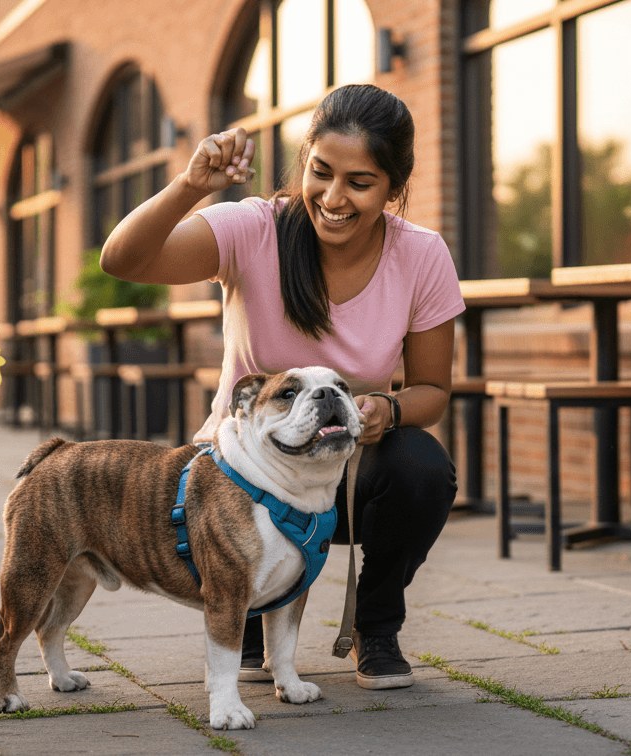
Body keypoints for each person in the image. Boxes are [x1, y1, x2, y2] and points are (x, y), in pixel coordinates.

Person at [100, 83, 465, 690]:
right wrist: (191, 185)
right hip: (236, 482)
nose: (333, 198)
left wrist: (388, 410)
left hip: (340, 478)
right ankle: (240, 604)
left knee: (423, 468)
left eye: (360, 182)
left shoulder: (421, 256)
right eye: (321, 173)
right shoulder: (253, 229)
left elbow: (433, 388)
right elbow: (124, 261)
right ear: (304, 162)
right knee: (237, 534)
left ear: (393, 188)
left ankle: (375, 627)